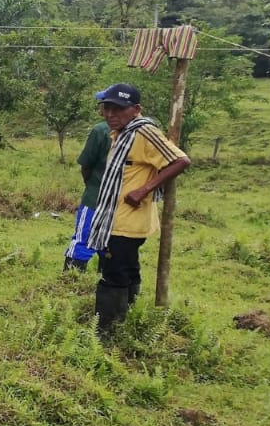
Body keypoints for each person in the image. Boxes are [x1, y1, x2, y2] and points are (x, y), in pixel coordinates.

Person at [86, 83, 191, 331]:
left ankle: (106, 331)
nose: (111, 115)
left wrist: (144, 189)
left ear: (135, 109)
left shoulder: (143, 132)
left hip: (125, 221)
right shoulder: (122, 132)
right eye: (106, 108)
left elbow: (180, 160)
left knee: (114, 274)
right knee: (128, 269)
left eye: (118, 109)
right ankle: (128, 320)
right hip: (117, 217)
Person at [63, 120, 112, 271]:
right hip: (124, 201)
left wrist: (91, 185)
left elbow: (86, 165)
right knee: (113, 243)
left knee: (83, 239)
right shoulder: (140, 129)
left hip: (96, 196)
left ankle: (70, 281)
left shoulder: (101, 130)